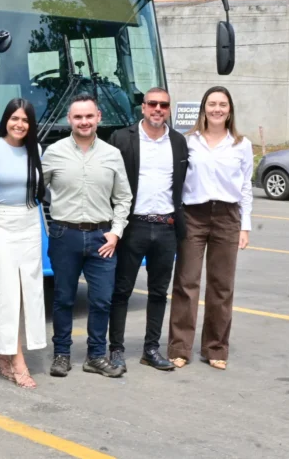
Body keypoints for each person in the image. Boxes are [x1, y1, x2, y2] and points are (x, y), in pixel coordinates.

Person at [41, 94, 132, 379]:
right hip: (64, 235)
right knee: (64, 298)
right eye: (78, 117)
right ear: (69, 119)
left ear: (98, 118)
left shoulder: (111, 154)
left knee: (102, 299)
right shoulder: (53, 152)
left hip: (101, 238)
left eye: (89, 116)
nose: (84, 122)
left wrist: (116, 233)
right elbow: (34, 188)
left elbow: (123, 198)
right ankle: (61, 355)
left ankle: (95, 355)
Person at [168, 86, 253, 371]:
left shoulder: (242, 144)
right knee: (186, 282)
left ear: (230, 111)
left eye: (223, 105)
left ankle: (215, 348)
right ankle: (179, 348)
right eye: (212, 104)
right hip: (193, 214)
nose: (217, 109)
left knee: (221, 286)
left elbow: (246, 188)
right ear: (204, 108)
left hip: (228, 216)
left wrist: (245, 226)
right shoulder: (187, 141)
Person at [108, 87, 189, 373]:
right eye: (152, 104)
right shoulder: (121, 138)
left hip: (166, 227)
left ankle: (150, 349)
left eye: (163, 105)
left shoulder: (178, 142)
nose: (158, 109)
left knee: (158, 292)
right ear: (142, 108)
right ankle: (116, 349)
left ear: (168, 109)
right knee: (121, 291)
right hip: (134, 226)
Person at [0, 98, 47, 389]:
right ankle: (17, 360)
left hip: (29, 221)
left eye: (25, 120)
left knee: (29, 292)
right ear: (6, 120)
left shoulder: (36, 149)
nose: (19, 124)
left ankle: (3, 355)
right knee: (4, 293)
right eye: (14, 118)